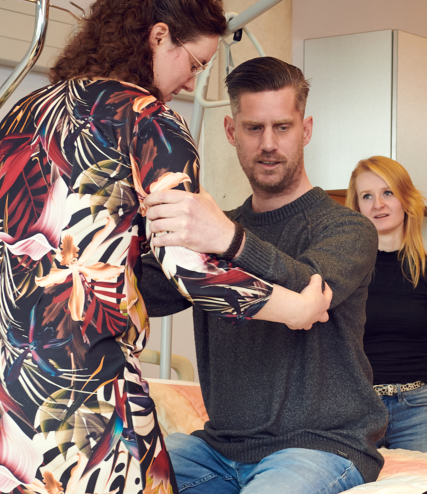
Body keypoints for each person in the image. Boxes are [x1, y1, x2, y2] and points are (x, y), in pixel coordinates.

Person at [0, 0, 333, 494]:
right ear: (158, 36)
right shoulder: (151, 122)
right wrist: (295, 309)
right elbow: (188, 266)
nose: (192, 83)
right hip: (69, 373)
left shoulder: (25, 111)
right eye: (194, 63)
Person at [139, 57, 385, 492]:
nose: (268, 144)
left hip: (321, 445)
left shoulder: (348, 228)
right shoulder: (210, 232)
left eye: (282, 127)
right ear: (231, 131)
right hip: (218, 448)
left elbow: (309, 290)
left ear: (305, 130)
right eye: (254, 128)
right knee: (116, 475)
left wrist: (229, 239)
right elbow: (146, 294)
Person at [345, 156, 427, 454]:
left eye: (387, 192)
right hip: (356, 410)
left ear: (406, 199)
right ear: (357, 208)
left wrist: (407, 387)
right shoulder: (345, 273)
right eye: (367, 196)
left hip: (416, 412)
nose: (378, 204)